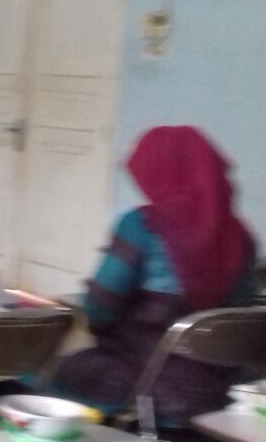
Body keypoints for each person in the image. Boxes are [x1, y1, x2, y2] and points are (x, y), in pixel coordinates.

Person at [50, 126, 258, 427]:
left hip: (146, 389)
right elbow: (239, 315)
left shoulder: (142, 226)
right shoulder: (243, 238)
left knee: (50, 368)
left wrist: (108, 330)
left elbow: (99, 307)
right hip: (221, 393)